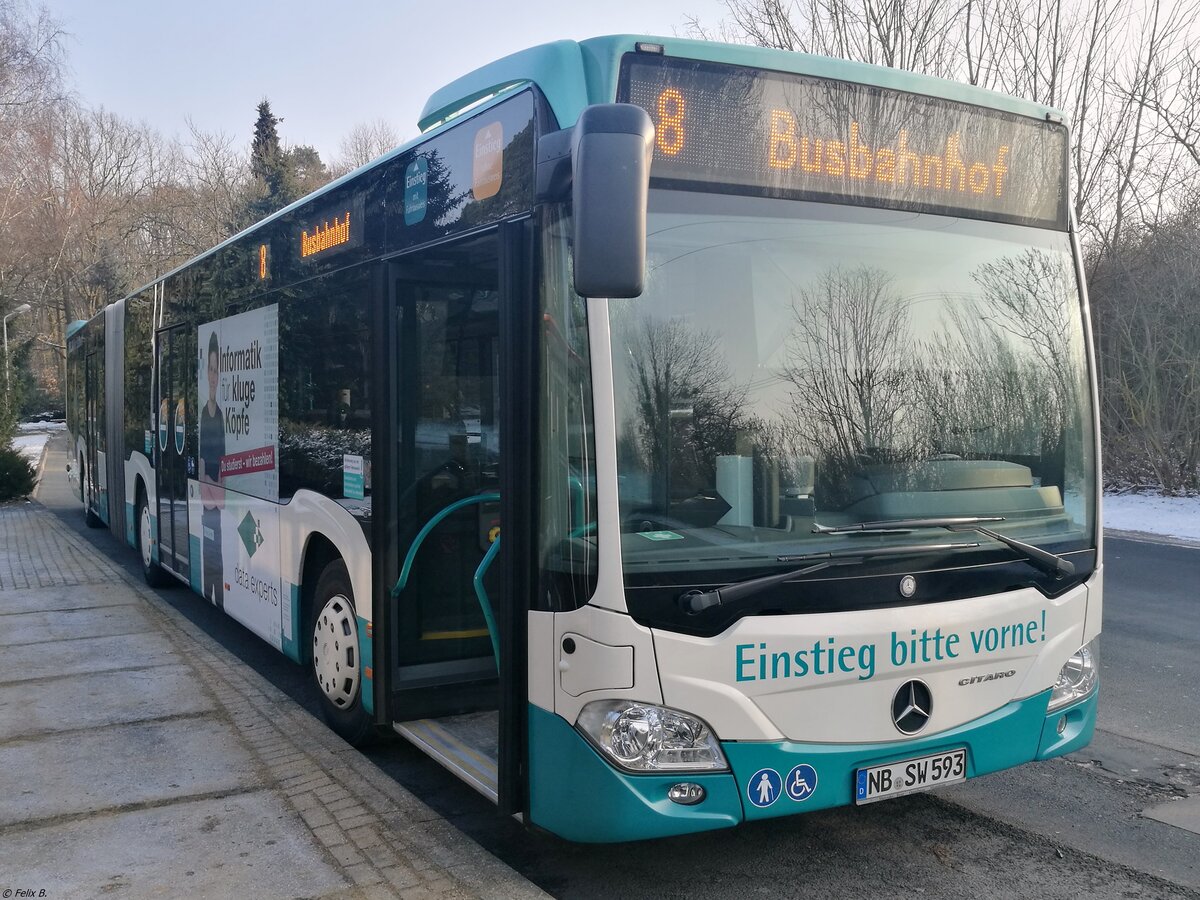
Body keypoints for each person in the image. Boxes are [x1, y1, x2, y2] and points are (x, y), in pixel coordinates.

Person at [199, 329, 225, 609]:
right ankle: (209, 592)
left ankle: (219, 596)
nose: (214, 376)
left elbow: (225, 460)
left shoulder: (222, 416)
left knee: (219, 551)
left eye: (217, 370)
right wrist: (212, 489)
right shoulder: (202, 416)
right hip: (208, 501)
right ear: (206, 373)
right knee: (209, 551)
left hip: (218, 498)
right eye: (211, 369)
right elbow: (202, 464)